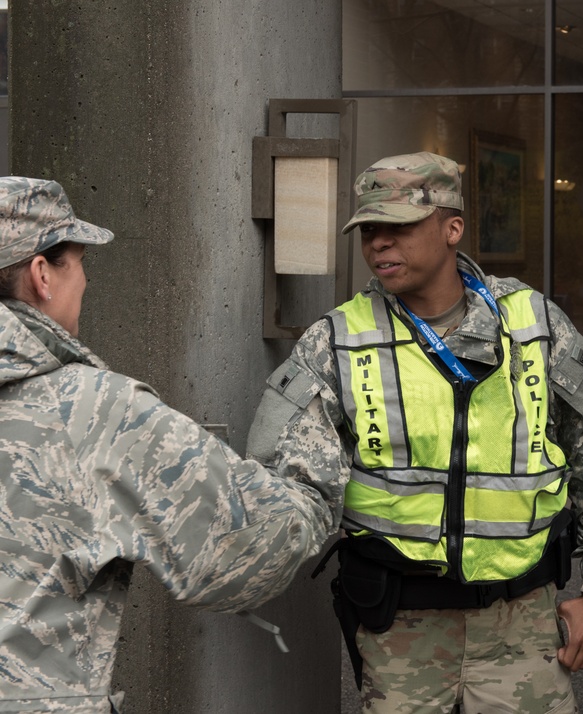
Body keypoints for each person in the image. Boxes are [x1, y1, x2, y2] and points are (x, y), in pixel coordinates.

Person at [246, 151, 583, 713]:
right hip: (398, 626)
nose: (379, 243)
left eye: (399, 227)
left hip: (521, 622)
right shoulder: (338, 341)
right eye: (369, 230)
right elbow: (291, 483)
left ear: (452, 228)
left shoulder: (533, 324)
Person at [0, 177, 340, 713]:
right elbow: (250, 549)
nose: (85, 281)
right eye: (80, 261)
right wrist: (311, 454)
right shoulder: (91, 413)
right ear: (43, 274)